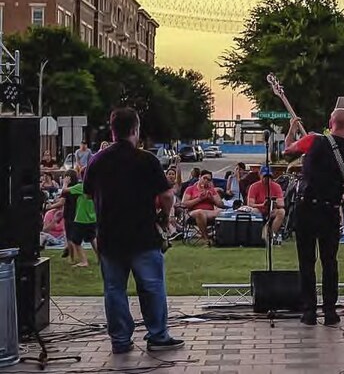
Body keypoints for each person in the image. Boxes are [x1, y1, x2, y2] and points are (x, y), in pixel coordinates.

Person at [83, 108, 182, 354]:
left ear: (112, 130)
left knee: (114, 289)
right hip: (143, 235)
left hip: (109, 235)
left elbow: (87, 193)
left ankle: (120, 340)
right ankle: (157, 336)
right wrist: (165, 216)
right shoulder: (146, 159)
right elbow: (167, 194)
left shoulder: (97, 160)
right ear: (136, 129)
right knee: (151, 286)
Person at [284, 109, 344, 326]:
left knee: (306, 262)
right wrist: (340, 187)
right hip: (329, 210)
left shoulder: (312, 140)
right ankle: (330, 312)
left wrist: (291, 129)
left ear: (330, 122)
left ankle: (309, 312)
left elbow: (287, 151)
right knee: (329, 262)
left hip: (306, 208)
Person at [182, 170, 224, 245]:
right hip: (193, 213)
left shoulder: (212, 190)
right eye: (204, 178)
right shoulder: (190, 189)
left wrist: (212, 199)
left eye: (208, 179)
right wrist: (199, 199)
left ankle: (221, 238)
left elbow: (220, 204)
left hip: (209, 212)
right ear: (199, 177)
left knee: (222, 212)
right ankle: (206, 238)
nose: (206, 181)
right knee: (200, 212)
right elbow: (184, 204)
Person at [63, 178, 98, 268]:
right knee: (92, 238)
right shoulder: (95, 186)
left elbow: (64, 190)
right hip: (92, 217)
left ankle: (84, 261)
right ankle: (101, 258)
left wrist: (65, 183)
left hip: (81, 218)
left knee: (76, 241)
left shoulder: (81, 186)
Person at [246, 171, 285, 243]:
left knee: (281, 212)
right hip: (259, 210)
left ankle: (271, 235)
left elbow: (282, 203)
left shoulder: (276, 186)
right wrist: (263, 204)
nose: (267, 179)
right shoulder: (254, 186)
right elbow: (250, 204)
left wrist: (274, 203)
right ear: (260, 176)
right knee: (253, 211)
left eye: (269, 177)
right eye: (265, 177)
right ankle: (257, 234)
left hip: (271, 210)